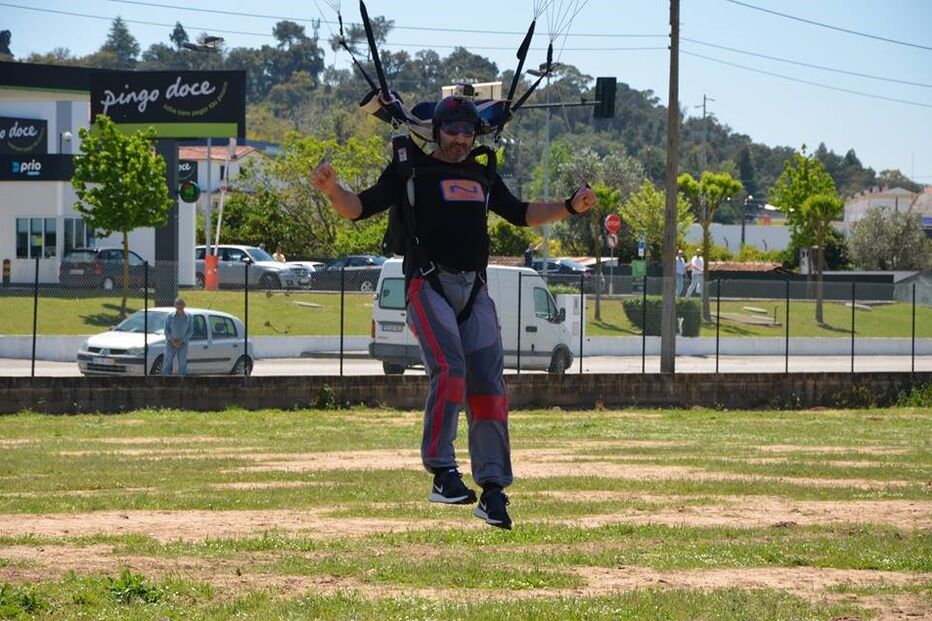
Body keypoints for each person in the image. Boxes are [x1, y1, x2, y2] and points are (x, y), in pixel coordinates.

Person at [311, 95, 597, 530]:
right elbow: (359, 208)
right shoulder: (410, 170)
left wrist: (570, 205)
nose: (461, 140)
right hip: (427, 285)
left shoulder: (482, 174)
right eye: (452, 131)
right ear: (436, 131)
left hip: (474, 289)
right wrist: (333, 190)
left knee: (489, 386)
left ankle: (493, 490)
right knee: (450, 369)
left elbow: (521, 213)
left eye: (467, 132)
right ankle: (442, 471)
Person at [163, 297, 194, 376]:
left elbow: (190, 331)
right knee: (167, 365)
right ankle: (166, 381)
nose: (180, 306)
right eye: (178, 304)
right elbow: (166, 330)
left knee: (182, 365)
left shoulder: (189, 317)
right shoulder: (169, 316)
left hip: (183, 344)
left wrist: (181, 341)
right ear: (175, 305)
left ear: (184, 305)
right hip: (170, 343)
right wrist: (172, 341)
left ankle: (182, 382)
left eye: (182, 304)